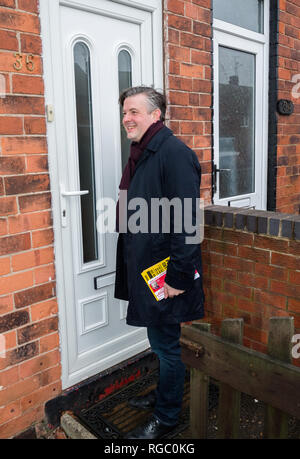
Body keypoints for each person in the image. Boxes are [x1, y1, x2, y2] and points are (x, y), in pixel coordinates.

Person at [114, 86, 205, 439]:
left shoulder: (174, 154)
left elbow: (187, 222)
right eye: (124, 112)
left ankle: (165, 419)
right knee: (159, 340)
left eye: (134, 111)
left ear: (156, 115)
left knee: (167, 346)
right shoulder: (143, 151)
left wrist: (178, 277)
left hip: (166, 272)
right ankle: (162, 396)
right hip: (147, 263)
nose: (127, 119)